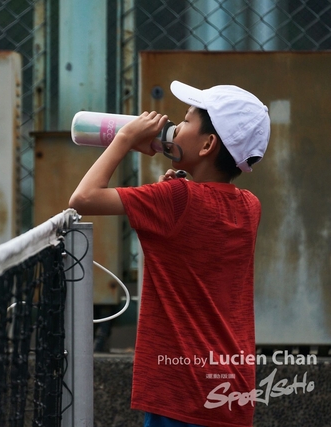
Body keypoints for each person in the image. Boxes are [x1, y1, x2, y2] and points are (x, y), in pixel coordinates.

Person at [69, 80, 271, 427]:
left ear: (208, 144)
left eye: (187, 121)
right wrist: (173, 193)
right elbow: (195, 233)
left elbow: (82, 199)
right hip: (233, 390)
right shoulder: (250, 206)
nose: (175, 126)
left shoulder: (176, 199)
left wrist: (124, 139)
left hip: (180, 390)